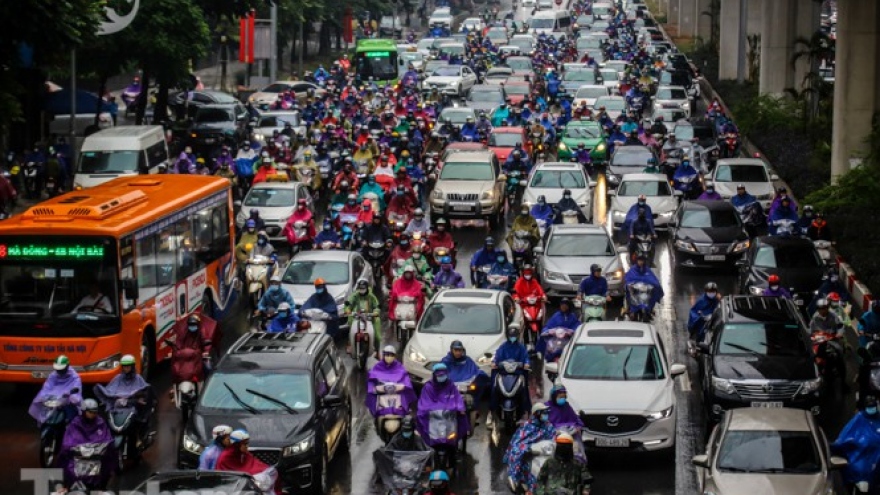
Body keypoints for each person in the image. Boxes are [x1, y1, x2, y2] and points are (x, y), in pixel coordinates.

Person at [57, 398, 118, 489]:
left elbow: (107, 439)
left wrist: (105, 447)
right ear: (84, 411)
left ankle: (102, 488)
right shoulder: (76, 423)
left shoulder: (100, 423)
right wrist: (71, 448)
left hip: (96, 457)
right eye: (90, 412)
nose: (93, 414)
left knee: (107, 464)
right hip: (78, 458)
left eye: (95, 412)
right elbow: (68, 441)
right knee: (66, 463)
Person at [503, 403, 557, 495]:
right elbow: (517, 443)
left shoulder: (548, 425)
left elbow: (553, 437)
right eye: (544, 413)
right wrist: (527, 449)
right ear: (537, 414)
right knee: (518, 453)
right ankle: (514, 477)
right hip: (530, 453)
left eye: (547, 412)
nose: (546, 415)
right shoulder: (526, 426)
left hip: (545, 452)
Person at [831, 396, 880, 493]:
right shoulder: (859, 419)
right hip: (863, 456)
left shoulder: (878, 418)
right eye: (870, 407)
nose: (872, 409)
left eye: (873, 406)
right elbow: (845, 436)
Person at [415, 363, 470, 448]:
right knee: (421, 418)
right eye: (439, 375)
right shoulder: (428, 387)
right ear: (434, 375)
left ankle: (454, 444)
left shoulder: (451, 385)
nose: (441, 377)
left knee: (462, 419)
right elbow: (424, 403)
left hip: (448, 416)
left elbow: (457, 398)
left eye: (443, 375)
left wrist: (460, 408)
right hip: (434, 416)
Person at [216, 430, 281, 494]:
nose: (247, 446)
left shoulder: (243, 453)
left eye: (247, 443)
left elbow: (254, 463)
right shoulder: (226, 457)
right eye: (245, 444)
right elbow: (233, 473)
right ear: (237, 444)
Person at [491, 326, 531, 426]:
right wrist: (495, 363)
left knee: (524, 388)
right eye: (511, 336)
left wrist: (526, 363)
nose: (512, 337)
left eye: (514, 336)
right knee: (493, 386)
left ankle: (525, 409)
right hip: (503, 372)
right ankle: (492, 409)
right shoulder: (503, 346)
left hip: (518, 372)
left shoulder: (521, 347)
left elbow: (526, 357)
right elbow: (497, 357)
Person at [441, 340, 490, 423]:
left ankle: (474, 411)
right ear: (451, 350)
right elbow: (440, 371)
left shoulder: (467, 360)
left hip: (466, 387)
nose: (458, 353)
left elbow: (475, 370)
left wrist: (480, 375)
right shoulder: (446, 361)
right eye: (455, 350)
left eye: (459, 350)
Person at [366, 345, 418, 420]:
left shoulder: (400, 367)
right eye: (387, 355)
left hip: (397, 398)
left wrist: (401, 387)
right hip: (382, 398)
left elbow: (406, 382)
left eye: (391, 355)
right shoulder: (377, 367)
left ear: (394, 356)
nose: (389, 357)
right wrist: (376, 389)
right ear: (383, 355)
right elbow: (371, 382)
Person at [29, 355, 83, 424]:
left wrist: (72, 397)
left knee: (72, 417)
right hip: (53, 400)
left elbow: (77, 390)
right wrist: (43, 396)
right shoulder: (53, 375)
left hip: (67, 400)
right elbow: (47, 387)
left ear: (67, 366)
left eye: (61, 369)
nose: (59, 371)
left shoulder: (75, 377)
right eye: (58, 369)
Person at [344, 280, 382, 353]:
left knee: (377, 335)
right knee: (351, 326)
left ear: (367, 288)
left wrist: (376, 312)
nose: (361, 290)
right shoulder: (355, 295)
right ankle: (350, 343)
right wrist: (348, 309)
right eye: (360, 289)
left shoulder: (372, 297)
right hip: (358, 316)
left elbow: (377, 306)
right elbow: (349, 303)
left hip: (370, 317)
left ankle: (377, 352)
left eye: (363, 288)